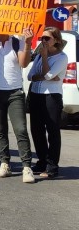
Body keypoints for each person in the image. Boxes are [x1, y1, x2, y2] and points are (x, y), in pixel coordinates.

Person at [0, 26, 36, 183]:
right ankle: (5, 164)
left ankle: (27, 167)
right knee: (0, 130)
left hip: (15, 92)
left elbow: (24, 63)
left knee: (20, 129)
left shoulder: (17, 41)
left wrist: (27, 44)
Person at [27, 26, 68, 179]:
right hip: (36, 95)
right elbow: (30, 76)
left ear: (56, 40)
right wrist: (44, 75)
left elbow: (48, 75)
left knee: (52, 131)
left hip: (51, 96)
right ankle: (42, 161)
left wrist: (45, 59)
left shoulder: (61, 57)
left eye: (47, 38)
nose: (43, 41)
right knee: (36, 130)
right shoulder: (38, 55)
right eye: (42, 38)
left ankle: (52, 166)